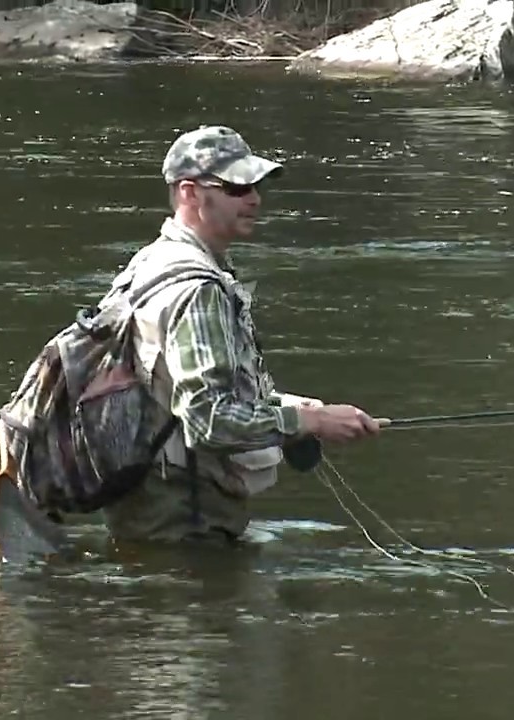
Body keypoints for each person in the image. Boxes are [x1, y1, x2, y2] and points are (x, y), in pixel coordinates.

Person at [95, 125, 381, 546]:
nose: (254, 198)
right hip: (182, 518)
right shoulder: (197, 289)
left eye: (256, 186)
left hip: (155, 504)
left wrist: (295, 410)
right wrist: (311, 420)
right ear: (190, 193)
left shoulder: (152, 262)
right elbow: (209, 421)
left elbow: (177, 393)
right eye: (235, 187)